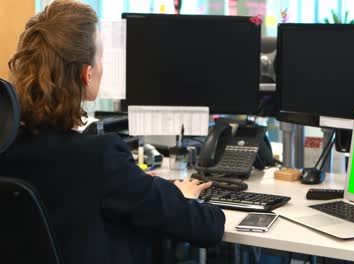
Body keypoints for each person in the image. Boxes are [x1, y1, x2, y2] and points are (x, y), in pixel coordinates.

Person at [0, 1, 225, 263]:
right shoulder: (100, 157)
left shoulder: (8, 150)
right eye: (101, 57)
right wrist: (181, 195)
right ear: (87, 73)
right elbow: (208, 227)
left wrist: (137, 184)